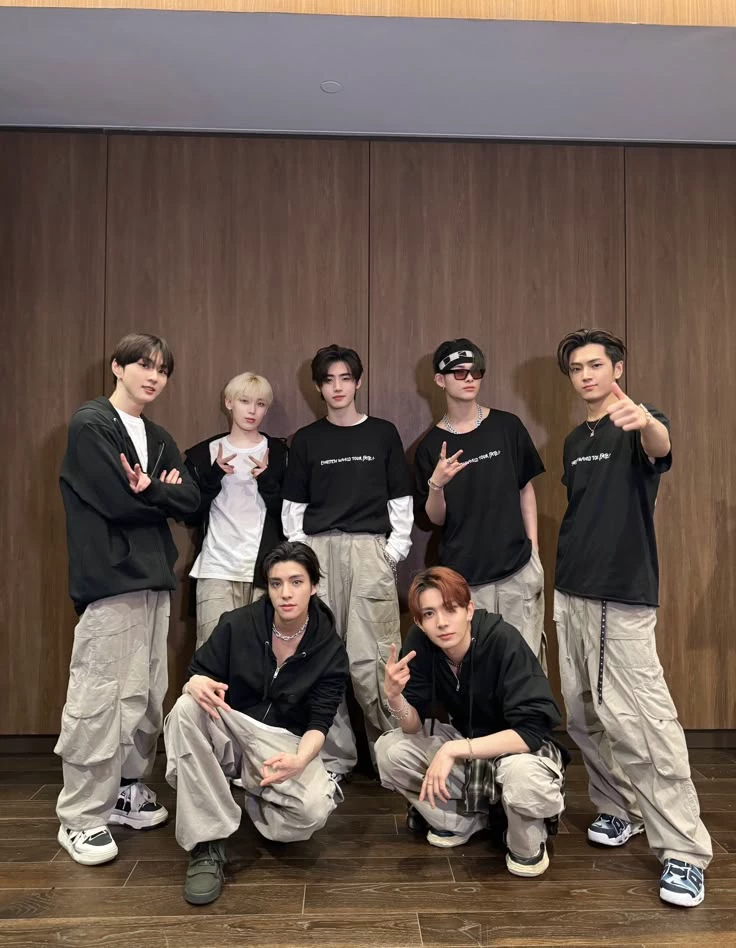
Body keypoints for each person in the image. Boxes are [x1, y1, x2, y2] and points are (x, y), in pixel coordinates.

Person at [554, 327, 711, 907]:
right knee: (583, 715)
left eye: (595, 365)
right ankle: (619, 808)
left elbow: (660, 446)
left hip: (620, 596)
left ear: (617, 369)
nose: (586, 375)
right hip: (570, 592)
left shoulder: (638, 422)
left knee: (643, 725)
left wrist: (645, 422)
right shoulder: (575, 439)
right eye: (577, 368)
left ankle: (684, 851)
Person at [55, 332, 200, 866]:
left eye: (162, 369)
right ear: (117, 367)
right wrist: (158, 494)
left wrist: (154, 489)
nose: (153, 376)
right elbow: (117, 501)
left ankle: (124, 792)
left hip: (155, 579)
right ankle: (80, 817)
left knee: (146, 695)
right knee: (100, 699)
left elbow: (191, 500)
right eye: (143, 364)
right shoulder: (91, 424)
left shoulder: (157, 436)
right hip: (111, 579)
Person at [164, 541, 349, 905]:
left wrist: (300, 760)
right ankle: (207, 843)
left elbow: (320, 722)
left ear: (314, 586)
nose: (286, 593)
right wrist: (192, 681)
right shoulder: (237, 624)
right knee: (186, 708)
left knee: (311, 812)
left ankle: (249, 793)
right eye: (276, 583)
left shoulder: (330, 648)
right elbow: (199, 674)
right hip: (232, 728)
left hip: (281, 742)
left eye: (296, 582)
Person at [375, 567, 565, 877]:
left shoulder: (502, 639)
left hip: (518, 750)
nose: (442, 622)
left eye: (451, 608)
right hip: (467, 746)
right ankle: (463, 821)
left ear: (469, 610)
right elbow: (413, 727)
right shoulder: (421, 644)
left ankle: (524, 840)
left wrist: (452, 750)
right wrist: (395, 698)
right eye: (429, 613)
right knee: (390, 749)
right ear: (420, 623)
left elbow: (531, 732)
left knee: (522, 778)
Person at [281, 344, 413, 776]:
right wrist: (303, 562)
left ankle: (393, 756)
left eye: (345, 378)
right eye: (328, 380)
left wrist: (391, 553)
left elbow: (400, 500)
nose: (337, 387)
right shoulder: (307, 439)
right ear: (319, 387)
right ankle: (333, 758)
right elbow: (293, 508)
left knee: (374, 658)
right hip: (319, 553)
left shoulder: (382, 433)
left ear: (357, 382)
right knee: (321, 655)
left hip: (369, 550)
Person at [413, 339, 547, 667]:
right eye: (459, 372)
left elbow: (525, 489)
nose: (470, 378)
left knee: (524, 664)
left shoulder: (506, 426)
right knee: (476, 667)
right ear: (440, 380)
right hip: (464, 578)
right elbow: (435, 520)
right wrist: (436, 483)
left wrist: (534, 548)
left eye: (476, 371)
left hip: (517, 569)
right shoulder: (430, 447)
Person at [184, 371, 287, 649]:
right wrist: (213, 476)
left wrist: (267, 481)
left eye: (260, 404)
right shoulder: (203, 453)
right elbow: (189, 513)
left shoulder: (280, 454)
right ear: (229, 403)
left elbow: (289, 517)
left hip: (266, 570)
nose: (252, 410)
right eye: (244, 401)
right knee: (212, 653)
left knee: (263, 654)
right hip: (216, 568)